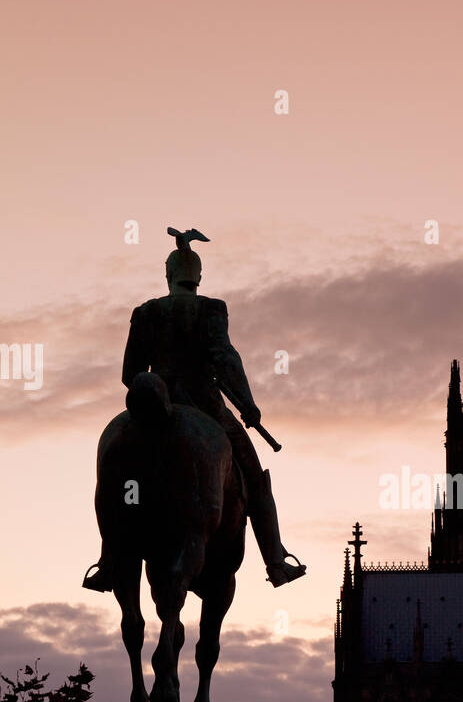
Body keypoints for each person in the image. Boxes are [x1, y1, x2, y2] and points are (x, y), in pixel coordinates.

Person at [83, 229, 306, 592]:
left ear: (168, 276)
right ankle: (277, 561)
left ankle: (108, 563)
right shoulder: (212, 308)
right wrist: (248, 405)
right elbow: (225, 357)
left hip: (153, 402)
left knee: (112, 476)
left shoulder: (146, 312)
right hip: (205, 403)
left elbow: (130, 374)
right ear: (198, 278)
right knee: (253, 475)